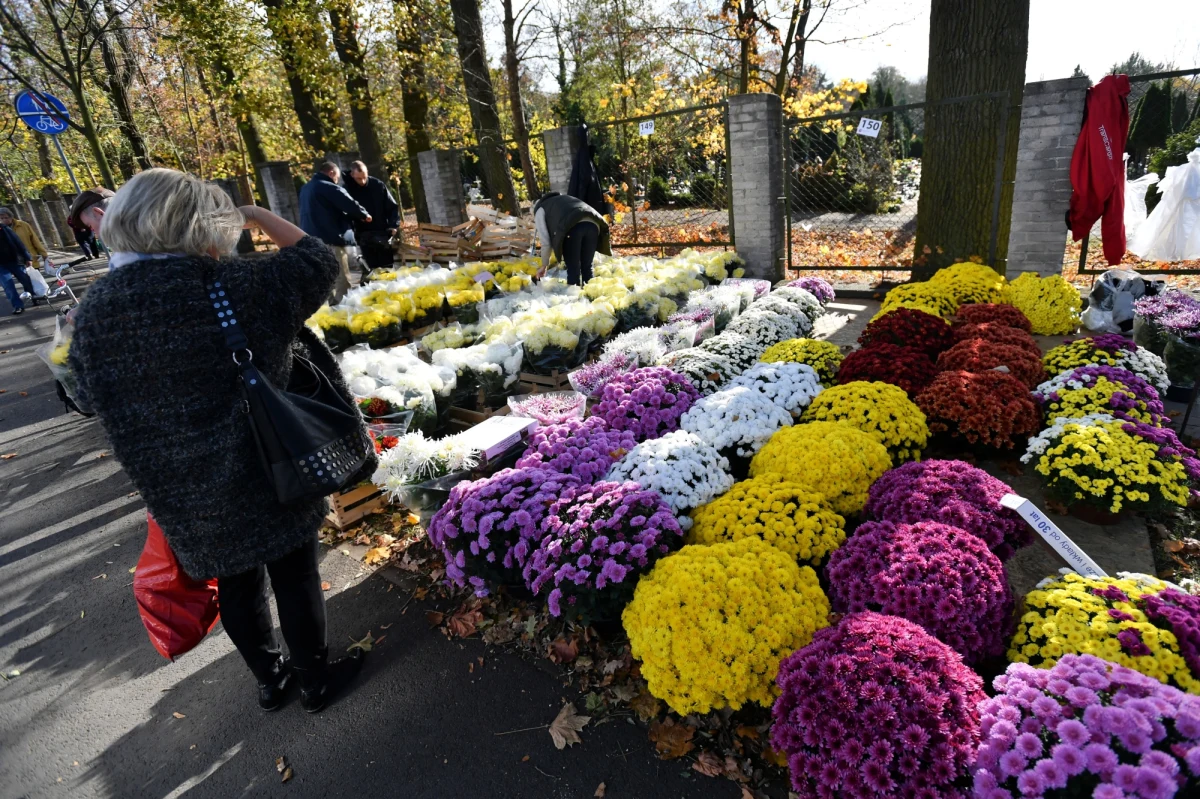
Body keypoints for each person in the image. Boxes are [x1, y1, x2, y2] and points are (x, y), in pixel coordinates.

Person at [69, 168, 368, 713]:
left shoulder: (95, 312)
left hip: (179, 483)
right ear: (201, 223)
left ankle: (270, 679)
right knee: (295, 574)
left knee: (234, 580)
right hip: (270, 459)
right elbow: (320, 259)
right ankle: (315, 680)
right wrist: (251, 214)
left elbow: (89, 395)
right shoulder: (240, 285)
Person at [299, 162, 371, 302]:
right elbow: (348, 203)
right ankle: (346, 310)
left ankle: (331, 312)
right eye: (337, 177)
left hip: (311, 242)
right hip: (329, 239)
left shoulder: (305, 189)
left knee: (325, 279)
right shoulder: (328, 186)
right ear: (331, 173)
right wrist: (364, 215)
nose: (337, 180)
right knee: (341, 279)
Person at [533, 191, 612, 286]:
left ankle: (574, 298)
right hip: (594, 225)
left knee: (573, 270)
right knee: (587, 267)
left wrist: (544, 265)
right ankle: (591, 296)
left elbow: (545, 242)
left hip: (573, 228)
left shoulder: (540, 210)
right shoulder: (562, 200)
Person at [343, 161, 399, 273]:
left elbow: (392, 207)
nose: (363, 181)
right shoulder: (347, 190)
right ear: (352, 175)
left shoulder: (377, 185)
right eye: (359, 179)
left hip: (382, 232)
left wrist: (394, 225)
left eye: (364, 177)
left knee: (387, 268)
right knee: (373, 270)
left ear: (367, 172)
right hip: (363, 235)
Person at [0, 219, 34, 315]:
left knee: (25, 280)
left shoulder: (4, 229)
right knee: (8, 285)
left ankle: (33, 297)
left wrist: (27, 258)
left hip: (14, 261)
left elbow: (18, 243)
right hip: (1, 266)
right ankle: (17, 306)